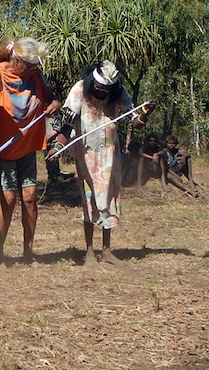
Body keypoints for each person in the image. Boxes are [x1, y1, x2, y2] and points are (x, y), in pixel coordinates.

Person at [47, 60, 154, 266]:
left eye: (106, 89)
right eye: (98, 88)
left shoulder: (119, 92)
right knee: (90, 199)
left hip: (110, 155)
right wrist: (58, 147)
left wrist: (144, 115)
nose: (101, 92)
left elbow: (135, 121)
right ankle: (89, 251)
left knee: (108, 199)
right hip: (86, 155)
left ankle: (106, 250)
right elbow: (68, 125)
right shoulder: (79, 89)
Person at [0, 37, 59, 265]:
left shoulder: (35, 75)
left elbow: (52, 99)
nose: (33, 70)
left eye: (36, 67)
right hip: (0, 147)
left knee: (30, 198)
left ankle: (28, 253)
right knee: (9, 198)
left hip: (27, 146)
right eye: (29, 66)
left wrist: (54, 105)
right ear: (16, 59)